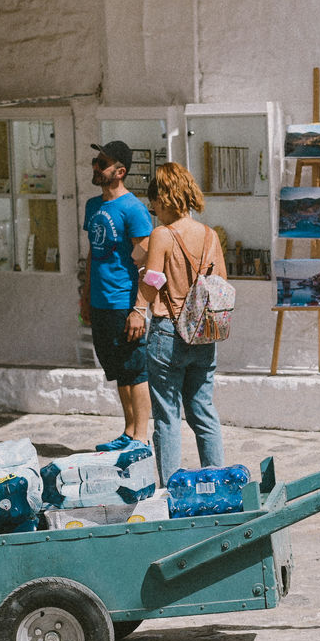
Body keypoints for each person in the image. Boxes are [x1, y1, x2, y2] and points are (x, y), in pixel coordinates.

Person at [127, 161, 226, 482]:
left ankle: (172, 489)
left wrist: (138, 306)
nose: (153, 209)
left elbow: (153, 281)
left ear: (164, 198)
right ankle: (218, 483)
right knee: (204, 412)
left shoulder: (162, 235)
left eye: (154, 202)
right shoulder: (210, 235)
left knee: (167, 417)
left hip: (168, 332)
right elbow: (221, 283)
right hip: (203, 332)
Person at [82, 140, 153, 452]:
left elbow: (147, 261)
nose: (96, 167)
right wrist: (86, 295)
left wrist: (139, 309)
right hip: (101, 301)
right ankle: (128, 430)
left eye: (103, 163)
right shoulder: (93, 206)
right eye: (96, 161)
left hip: (124, 301)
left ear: (120, 172)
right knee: (117, 369)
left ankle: (141, 437)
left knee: (135, 369)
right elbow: (92, 255)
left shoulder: (133, 209)